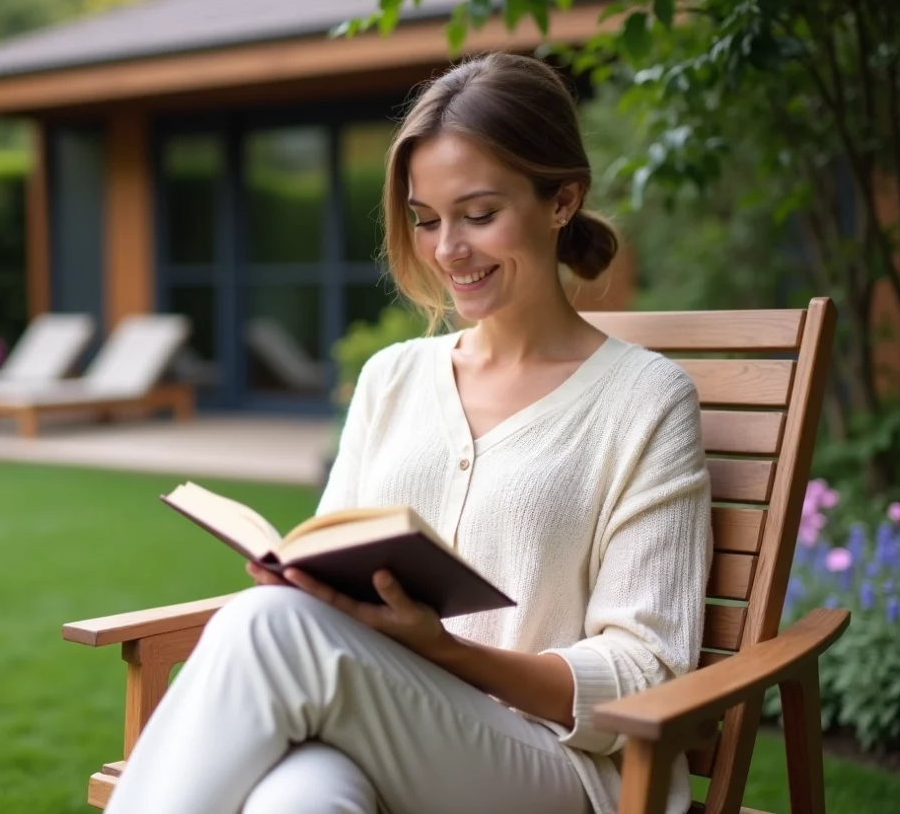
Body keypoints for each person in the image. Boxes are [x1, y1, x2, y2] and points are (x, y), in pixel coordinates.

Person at [104, 51, 712, 814]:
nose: (447, 249)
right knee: (294, 801)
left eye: (479, 215)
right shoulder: (392, 377)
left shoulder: (646, 399)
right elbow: (331, 564)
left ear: (562, 200)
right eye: (427, 220)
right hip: (381, 731)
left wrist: (443, 649)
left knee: (266, 626)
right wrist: (310, 582)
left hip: (560, 771)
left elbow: (647, 672)